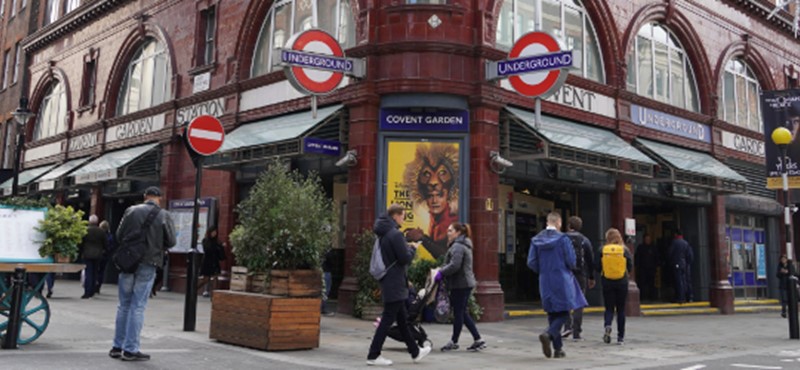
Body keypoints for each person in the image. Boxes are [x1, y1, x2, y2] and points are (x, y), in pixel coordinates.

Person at [110, 186, 176, 362]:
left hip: (128, 262)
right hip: (149, 262)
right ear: (159, 198)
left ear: (145, 196)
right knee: (138, 306)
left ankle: (117, 346)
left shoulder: (131, 211)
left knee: (123, 305)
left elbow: (119, 234)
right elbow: (171, 241)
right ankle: (131, 349)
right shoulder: (164, 215)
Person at [367, 204, 431, 366]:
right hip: (394, 282)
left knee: (402, 320)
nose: (404, 218)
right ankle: (373, 355)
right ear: (395, 215)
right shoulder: (394, 234)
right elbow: (404, 259)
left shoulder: (383, 233)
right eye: (403, 215)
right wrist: (413, 248)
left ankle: (415, 352)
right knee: (388, 319)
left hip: (391, 281)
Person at [527, 212, 587, 359]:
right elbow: (571, 260)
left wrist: (543, 270)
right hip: (562, 278)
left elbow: (531, 262)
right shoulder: (563, 239)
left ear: (547, 222)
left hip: (545, 279)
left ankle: (558, 349)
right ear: (558, 223)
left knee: (552, 312)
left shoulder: (536, 240)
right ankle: (548, 333)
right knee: (565, 312)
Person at [435, 222, 485, 352]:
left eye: (450, 230)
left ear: (458, 233)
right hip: (463, 283)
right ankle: (478, 339)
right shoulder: (463, 244)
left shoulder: (458, 246)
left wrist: (441, 272)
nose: (448, 233)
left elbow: (455, 265)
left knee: (459, 313)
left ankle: (454, 341)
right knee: (462, 312)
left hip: (461, 284)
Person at [403, 143, 460, 259]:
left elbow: (446, 256)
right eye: (430, 196)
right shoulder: (434, 220)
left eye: (439, 195)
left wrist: (422, 239)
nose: (434, 200)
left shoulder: (452, 221)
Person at [598, 228, 633, 345]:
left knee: (609, 308)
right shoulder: (624, 250)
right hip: (622, 282)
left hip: (607, 282)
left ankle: (608, 325)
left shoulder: (603, 250)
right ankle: (620, 337)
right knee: (621, 309)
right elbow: (630, 265)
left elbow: (597, 266)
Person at [562, 216, 595, 341]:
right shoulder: (584, 240)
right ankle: (577, 332)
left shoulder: (561, 238)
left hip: (565, 273)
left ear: (568, 225)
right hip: (580, 274)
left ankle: (567, 327)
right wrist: (591, 277)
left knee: (565, 299)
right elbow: (590, 260)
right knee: (578, 301)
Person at [79, 214, 107, 299]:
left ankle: (87, 292)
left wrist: (81, 252)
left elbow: (81, 243)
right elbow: (105, 243)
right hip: (98, 255)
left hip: (87, 254)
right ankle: (92, 291)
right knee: (95, 273)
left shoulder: (85, 231)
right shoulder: (101, 231)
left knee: (88, 273)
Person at [198, 227, 225, 298]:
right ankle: (194, 289)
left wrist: (221, 247)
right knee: (206, 279)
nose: (214, 234)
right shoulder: (205, 240)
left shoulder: (217, 241)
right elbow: (207, 249)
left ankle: (214, 296)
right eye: (213, 232)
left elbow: (220, 251)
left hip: (215, 261)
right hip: (207, 262)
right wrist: (218, 247)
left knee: (216, 278)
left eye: (215, 232)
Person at [669, 229, 694, 304]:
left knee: (678, 281)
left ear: (676, 234)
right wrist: (687, 263)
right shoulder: (686, 243)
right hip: (684, 264)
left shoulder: (674, 243)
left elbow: (670, 253)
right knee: (685, 280)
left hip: (677, 264)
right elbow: (690, 255)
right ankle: (688, 297)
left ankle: (680, 297)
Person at [635, 234, 658, 301]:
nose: (647, 241)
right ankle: (641, 297)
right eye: (646, 239)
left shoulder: (653, 248)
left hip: (651, 268)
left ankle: (652, 297)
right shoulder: (640, 247)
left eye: (649, 239)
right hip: (642, 268)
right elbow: (637, 257)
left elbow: (656, 258)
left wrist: (656, 266)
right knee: (641, 283)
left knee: (652, 284)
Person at [97, 220, 116, 295]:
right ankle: (98, 285)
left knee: (95, 271)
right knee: (101, 271)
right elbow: (111, 246)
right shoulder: (110, 236)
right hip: (105, 256)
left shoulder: (99, 235)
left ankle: (94, 285)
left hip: (98, 255)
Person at [321, 247, 335, 316]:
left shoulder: (322, 253)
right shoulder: (328, 253)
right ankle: (324, 308)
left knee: (324, 291)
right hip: (327, 272)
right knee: (326, 291)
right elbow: (332, 262)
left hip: (323, 272)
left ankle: (322, 308)